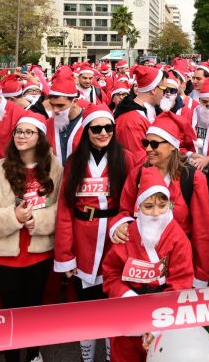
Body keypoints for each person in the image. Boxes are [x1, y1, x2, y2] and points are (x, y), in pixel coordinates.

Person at [0, 114, 61, 362]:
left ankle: (33, 353)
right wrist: (14, 216)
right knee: (9, 312)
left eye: (28, 132)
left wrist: (39, 220)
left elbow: (61, 210)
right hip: (5, 257)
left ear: (40, 137)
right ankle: (12, 357)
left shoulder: (55, 169)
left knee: (33, 309)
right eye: (18, 132)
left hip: (39, 254)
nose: (21, 136)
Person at [54, 104, 134, 362]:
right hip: (83, 243)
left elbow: (133, 203)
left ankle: (112, 355)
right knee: (86, 305)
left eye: (108, 127)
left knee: (113, 303)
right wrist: (65, 255)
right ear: (87, 130)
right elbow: (64, 211)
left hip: (114, 240)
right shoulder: (74, 162)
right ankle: (86, 357)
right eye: (96, 128)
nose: (103, 133)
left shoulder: (126, 159)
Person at [114, 111, 209, 287]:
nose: (148, 149)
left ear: (172, 146)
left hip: (180, 262)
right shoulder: (138, 174)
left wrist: (201, 275)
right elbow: (125, 210)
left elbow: (203, 230)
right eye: (146, 143)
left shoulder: (191, 178)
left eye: (154, 144)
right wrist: (121, 226)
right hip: (142, 261)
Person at [102, 168, 193, 362]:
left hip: (164, 314)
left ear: (169, 205)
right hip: (128, 313)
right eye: (149, 206)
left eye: (162, 206)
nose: (155, 213)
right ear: (138, 207)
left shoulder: (178, 239)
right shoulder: (127, 234)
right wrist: (126, 296)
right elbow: (111, 273)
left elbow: (181, 283)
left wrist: (157, 325)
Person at [114, 65, 165, 165]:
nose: (164, 93)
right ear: (154, 89)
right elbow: (138, 161)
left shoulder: (150, 110)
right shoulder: (130, 120)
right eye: (164, 88)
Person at [44, 68, 86, 164]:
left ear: (74, 102)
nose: (55, 110)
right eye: (52, 105)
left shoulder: (89, 122)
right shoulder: (48, 124)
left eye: (60, 106)